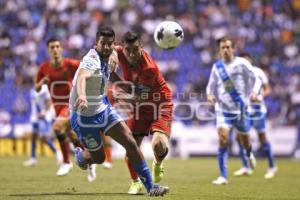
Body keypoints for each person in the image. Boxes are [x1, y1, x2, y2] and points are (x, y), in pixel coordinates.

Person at [69, 26, 169, 196]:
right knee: (99, 158)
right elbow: (82, 76)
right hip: (83, 116)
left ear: (114, 44)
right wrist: (83, 96)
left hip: (103, 109)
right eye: (103, 44)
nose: (107, 47)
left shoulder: (110, 57)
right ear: (96, 44)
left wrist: (127, 89)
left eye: (110, 44)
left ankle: (151, 187)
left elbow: (111, 76)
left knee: (130, 142)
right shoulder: (91, 59)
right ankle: (80, 157)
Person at [110, 31, 173, 194]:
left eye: (135, 49)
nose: (131, 54)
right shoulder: (117, 51)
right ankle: (135, 182)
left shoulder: (149, 68)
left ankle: (158, 163)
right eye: (127, 50)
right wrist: (111, 55)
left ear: (141, 47)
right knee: (131, 147)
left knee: (158, 145)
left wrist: (119, 93)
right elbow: (102, 47)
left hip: (160, 103)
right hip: (141, 106)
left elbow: (138, 98)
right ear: (122, 48)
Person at [206, 37, 262, 185]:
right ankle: (223, 176)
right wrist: (210, 95)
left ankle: (249, 155)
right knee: (223, 138)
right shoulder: (217, 67)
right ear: (219, 50)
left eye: (228, 47)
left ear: (233, 49)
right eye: (222, 48)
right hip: (223, 110)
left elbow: (257, 79)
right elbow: (210, 86)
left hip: (241, 109)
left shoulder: (242, 63)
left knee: (245, 142)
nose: (225, 50)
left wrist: (255, 93)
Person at [35, 38, 87, 177]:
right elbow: (37, 88)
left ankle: (66, 162)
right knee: (71, 135)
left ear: (61, 49)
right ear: (48, 50)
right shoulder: (44, 68)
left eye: (57, 46)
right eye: (52, 47)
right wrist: (41, 82)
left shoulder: (69, 64)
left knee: (57, 128)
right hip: (56, 107)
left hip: (71, 104)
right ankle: (88, 158)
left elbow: (85, 67)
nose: (55, 49)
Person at [233, 53, 277, 179]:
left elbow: (268, 89)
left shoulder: (259, 72)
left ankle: (271, 166)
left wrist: (260, 96)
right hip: (245, 110)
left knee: (262, 138)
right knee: (238, 137)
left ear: (250, 61)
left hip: (258, 110)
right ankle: (246, 167)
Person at [23, 85, 62, 167]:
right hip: (34, 117)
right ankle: (33, 158)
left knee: (43, 138)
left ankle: (58, 153)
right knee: (33, 136)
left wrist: (44, 111)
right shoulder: (32, 89)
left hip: (43, 116)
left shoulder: (45, 88)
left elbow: (49, 101)